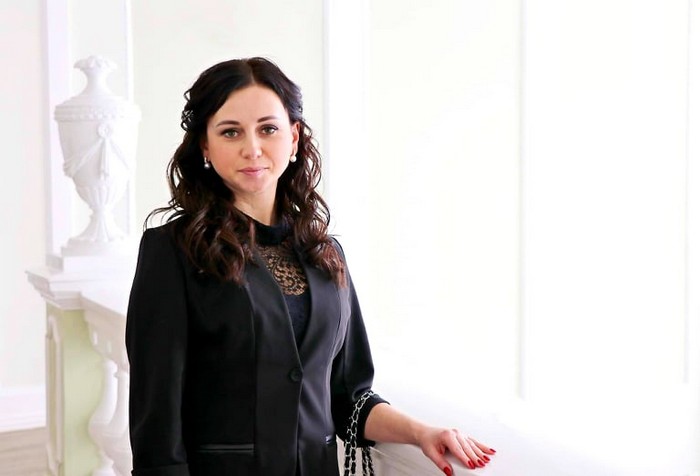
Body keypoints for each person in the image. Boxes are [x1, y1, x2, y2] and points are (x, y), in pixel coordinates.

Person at [125, 57, 496, 476]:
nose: (253, 148)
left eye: (268, 129)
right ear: (205, 147)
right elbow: (156, 417)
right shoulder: (172, 251)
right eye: (231, 132)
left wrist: (422, 432)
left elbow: (349, 396)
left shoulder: (326, 253)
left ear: (294, 137)